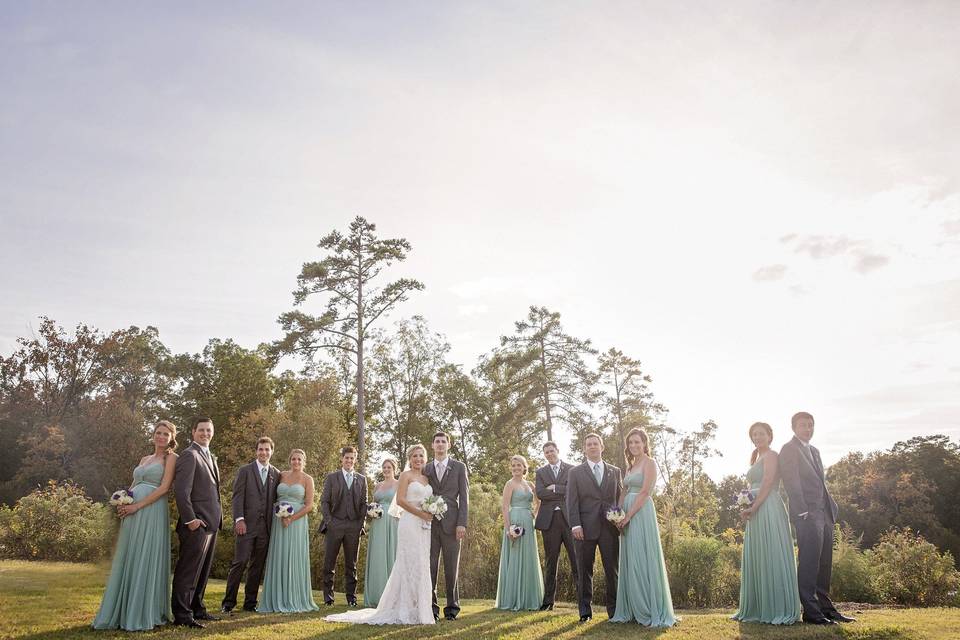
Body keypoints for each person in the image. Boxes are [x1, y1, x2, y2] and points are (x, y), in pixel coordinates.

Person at [325, 444, 436, 625]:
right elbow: (400, 500)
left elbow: (429, 499)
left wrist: (431, 510)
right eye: (415, 456)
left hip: (425, 526)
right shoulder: (405, 476)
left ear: (425, 458)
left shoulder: (427, 478)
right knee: (407, 562)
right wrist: (421, 513)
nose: (418, 459)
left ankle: (420, 608)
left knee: (422, 563)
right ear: (410, 458)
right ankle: (403, 607)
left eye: (421, 456)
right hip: (409, 523)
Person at [93, 421, 178, 631]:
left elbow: (165, 488)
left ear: (171, 438)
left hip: (151, 511)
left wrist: (137, 505)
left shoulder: (172, 458)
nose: (161, 436)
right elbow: (133, 485)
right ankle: (121, 609)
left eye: (165, 434)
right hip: (132, 511)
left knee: (145, 555)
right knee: (129, 555)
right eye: (158, 432)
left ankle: (141, 611)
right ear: (153, 435)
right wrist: (123, 501)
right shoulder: (145, 459)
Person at [780, 411, 854, 625]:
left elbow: (820, 482)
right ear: (794, 427)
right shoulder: (789, 449)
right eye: (803, 425)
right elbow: (791, 481)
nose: (808, 428)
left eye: (811, 425)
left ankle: (826, 609)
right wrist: (802, 511)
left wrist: (830, 508)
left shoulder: (815, 450)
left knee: (824, 564)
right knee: (809, 563)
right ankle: (811, 613)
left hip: (825, 513)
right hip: (808, 514)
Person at [732, 422, 802, 625]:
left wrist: (754, 507)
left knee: (771, 552)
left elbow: (768, 481)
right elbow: (753, 486)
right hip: (756, 506)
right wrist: (745, 501)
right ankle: (759, 607)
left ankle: (775, 607)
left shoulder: (771, 455)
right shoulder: (756, 456)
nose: (757, 437)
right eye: (754, 434)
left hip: (768, 506)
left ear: (770, 436)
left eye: (761, 434)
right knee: (759, 553)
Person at [610, 428, 676, 627]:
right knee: (630, 557)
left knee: (642, 556)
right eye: (630, 443)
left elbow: (645, 491)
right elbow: (624, 491)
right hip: (627, 514)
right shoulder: (630, 467)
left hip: (641, 512)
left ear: (645, 444)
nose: (634, 446)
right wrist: (618, 514)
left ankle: (648, 607)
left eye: (637, 442)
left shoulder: (650, 463)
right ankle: (631, 607)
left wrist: (629, 516)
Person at [171, 417, 222, 628]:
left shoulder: (210, 456)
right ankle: (182, 615)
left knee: (202, 571)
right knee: (188, 571)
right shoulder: (189, 455)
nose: (205, 433)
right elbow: (182, 492)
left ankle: (197, 609)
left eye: (208, 430)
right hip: (196, 524)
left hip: (212, 523)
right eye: (201, 430)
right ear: (193, 432)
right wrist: (191, 520)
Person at [221, 437, 280, 614]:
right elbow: (237, 497)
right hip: (246, 525)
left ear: (271, 451)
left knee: (257, 566)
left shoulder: (276, 474)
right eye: (260, 449)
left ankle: (250, 603)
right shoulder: (245, 470)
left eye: (267, 449)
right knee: (239, 563)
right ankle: (228, 603)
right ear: (256, 451)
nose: (263, 452)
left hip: (266, 528)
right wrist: (239, 519)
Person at [567, 432, 621, 622]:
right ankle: (585, 612)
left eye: (595, 443)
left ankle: (614, 611)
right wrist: (575, 525)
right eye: (588, 444)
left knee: (612, 571)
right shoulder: (575, 472)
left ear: (602, 446)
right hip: (584, 529)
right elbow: (571, 501)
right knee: (584, 571)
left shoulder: (615, 471)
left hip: (609, 529)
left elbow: (618, 498)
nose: (592, 446)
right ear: (584, 449)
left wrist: (619, 518)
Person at [257, 449, 319, 613]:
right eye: (293, 459)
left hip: (296, 523)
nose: (296, 462)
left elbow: (309, 505)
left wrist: (291, 518)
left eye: (299, 459)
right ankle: (275, 597)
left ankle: (294, 597)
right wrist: (280, 513)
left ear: (304, 461)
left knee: (293, 556)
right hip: (278, 521)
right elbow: (273, 497)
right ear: (289, 460)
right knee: (279, 555)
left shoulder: (308, 479)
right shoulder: (281, 475)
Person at [425, 431, 469, 621]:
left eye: (444, 441)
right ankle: (431, 609)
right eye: (437, 442)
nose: (440, 444)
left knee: (452, 567)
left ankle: (451, 609)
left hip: (452, 525)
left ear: (448, 445)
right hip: (429, 524)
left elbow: (465, 498)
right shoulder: (426, 469)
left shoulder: (459, 467)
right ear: (432, 446)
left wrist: (462, 523)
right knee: (430, 567)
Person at [319, 446, 367, 606]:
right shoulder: (332, 477)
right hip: (335, 524)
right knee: (329, 563)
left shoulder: (361, 479)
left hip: (354, 526)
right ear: (342, 459)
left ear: (355, 460)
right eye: (347, 458)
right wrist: (330, 522)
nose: (349, 460)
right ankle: (328, 598)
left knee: (351, 565)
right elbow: (324, 501)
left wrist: (359, 524)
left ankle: (351, 599)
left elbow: (363, 503)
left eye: (352, 458)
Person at [495, 455, 544, 611]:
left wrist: (534, 515)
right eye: (513, 465)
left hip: (528, 523)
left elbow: (540, 501)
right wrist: (508, 527)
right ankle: (514, 597)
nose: (516, 468)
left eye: (519, 465)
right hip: (515, 520)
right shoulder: (509, 484)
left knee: (528, 556)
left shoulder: (530, 484)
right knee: (516, 556)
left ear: (524, 467)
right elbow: (504, 507)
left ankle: (529, 598)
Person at [534, 441, 578, 611]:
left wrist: (554, 488)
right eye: (546, 452)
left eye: (552, 451)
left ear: (557, 451)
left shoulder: (572, 469)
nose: (549, 454)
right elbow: (540, 493)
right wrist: (561, 491)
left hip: (569, 521)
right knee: (551, 562)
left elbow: (572, 491)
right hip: (549, 522)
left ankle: (582, 600)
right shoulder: (541, 472)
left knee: (576, 560)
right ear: (544, 454)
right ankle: (548, 602)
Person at [363, 457, 400, 607]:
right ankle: (375, 595)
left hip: (392, 522)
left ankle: (392, 596)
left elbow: (402, 504)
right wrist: (372, 511)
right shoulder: (377, 485)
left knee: (391, 554)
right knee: (378, 555)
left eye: (389, 468)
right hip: (377, 524)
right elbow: (373, 503)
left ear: (394, 469)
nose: (386, 470)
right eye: (384, 467)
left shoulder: (399, 484)